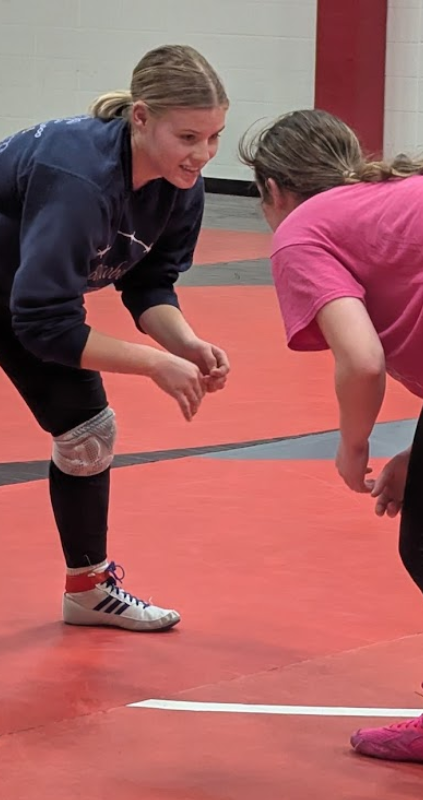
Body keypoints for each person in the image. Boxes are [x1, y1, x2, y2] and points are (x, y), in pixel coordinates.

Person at [0, 44, 230, 702]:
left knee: (87, 431)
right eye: (188, 137)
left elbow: (150, 282)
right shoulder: (81, 175)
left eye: (213, 137)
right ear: (141, 119)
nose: (202, 153)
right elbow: (44, 323)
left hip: (19, 284)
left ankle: (87, 586)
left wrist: (185, 342)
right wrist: (155, 364)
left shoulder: (181, 184)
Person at [239, 107, 423, 762]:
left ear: (271, 191)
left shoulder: (302, 232)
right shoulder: (391, 195)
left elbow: (363, 358)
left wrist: (354, 443)